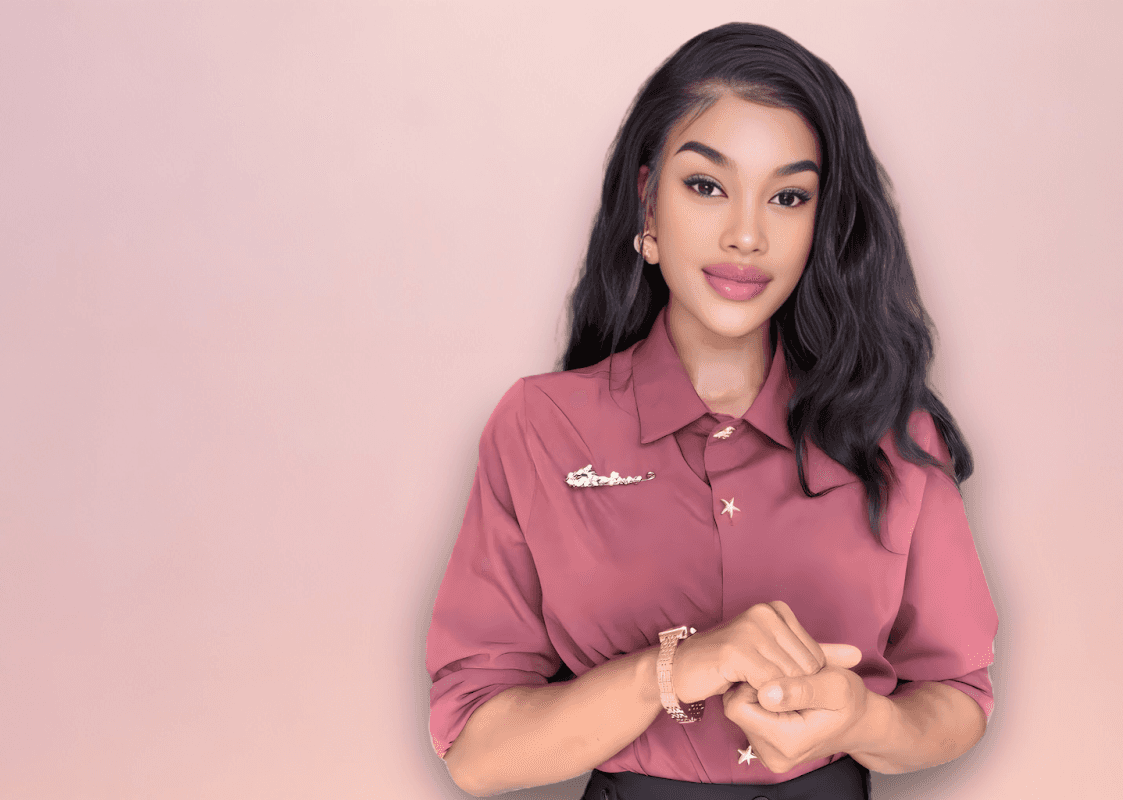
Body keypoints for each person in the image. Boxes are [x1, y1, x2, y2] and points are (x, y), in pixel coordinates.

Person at [426, 22, 997, 799]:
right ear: (647, 205)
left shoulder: (894, 434)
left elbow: (958, 698)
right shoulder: (540, 428)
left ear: (819, 227)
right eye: (706, 186)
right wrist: (686, 666)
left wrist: (862, 718)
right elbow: (478, 753)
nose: (746, 234)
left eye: (788, 196)